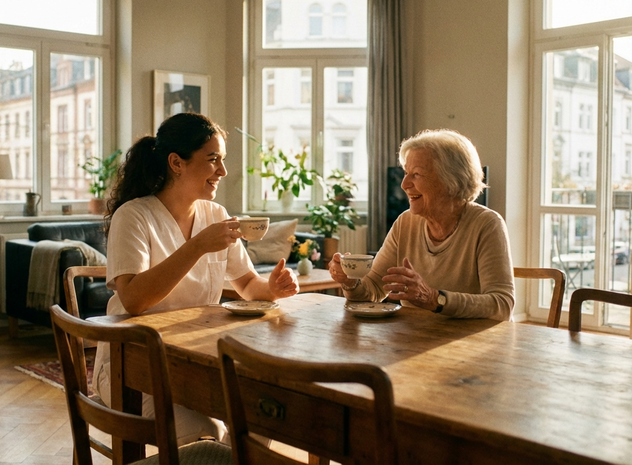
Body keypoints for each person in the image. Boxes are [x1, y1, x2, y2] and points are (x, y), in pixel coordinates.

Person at [93, 112, 299, 445]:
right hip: (132, 368)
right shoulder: (133, 216)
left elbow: (247, 285)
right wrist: (198, 246)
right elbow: (132, 300)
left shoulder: (215, 215)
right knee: (208, 434)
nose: (223, 171)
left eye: (223, 160)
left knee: (263, 421)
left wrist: (272, 288)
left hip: (195, 361)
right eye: (213, 159)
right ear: (177, 162)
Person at [329, 129, 514, 320]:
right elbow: (374, 289)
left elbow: (502, 305)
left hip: (473, 344)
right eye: (406, 173)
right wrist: (350, 282)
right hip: (417, 339)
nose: (404, 184)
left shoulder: (487, 224)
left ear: (449, 180)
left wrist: (435, 299)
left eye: (416, 174)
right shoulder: (405, 223)